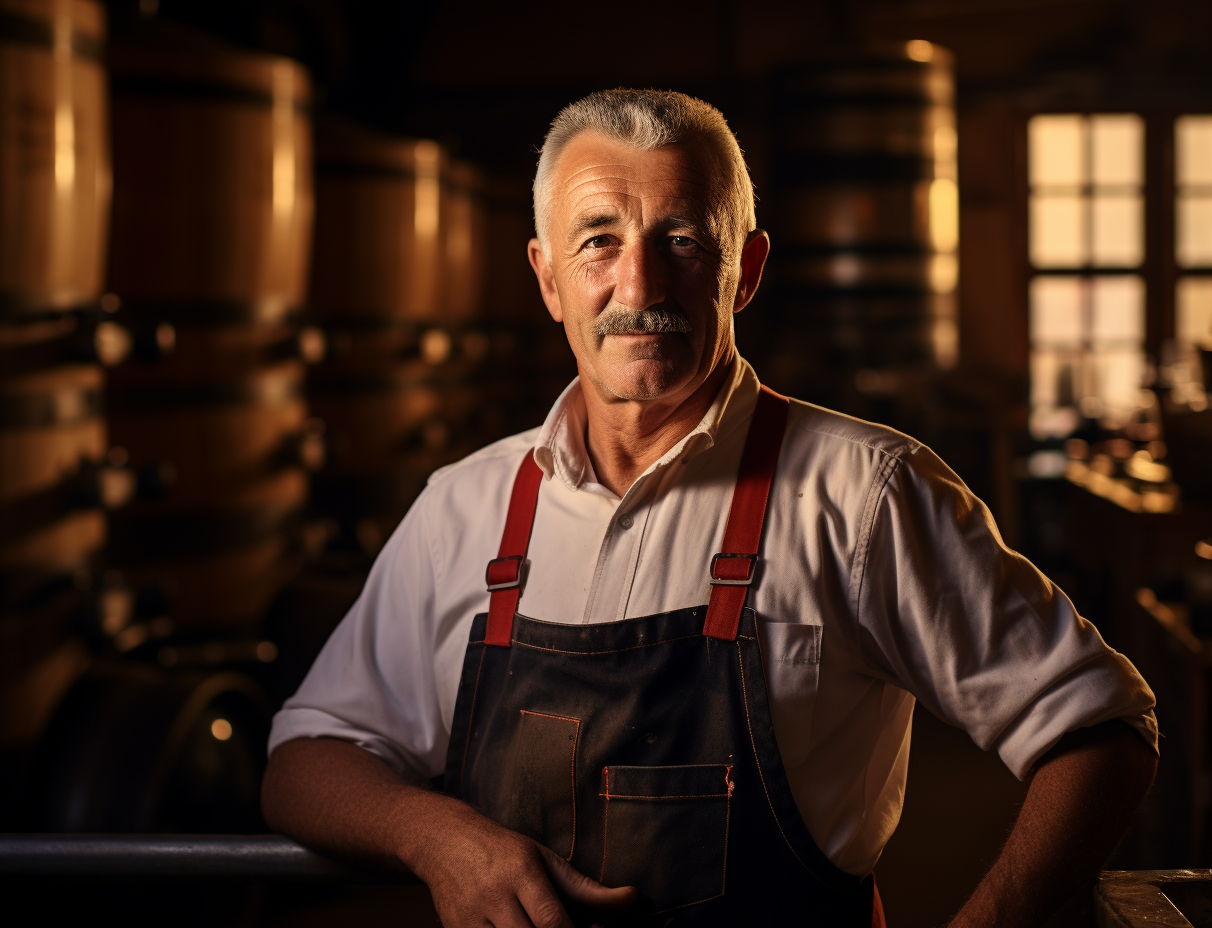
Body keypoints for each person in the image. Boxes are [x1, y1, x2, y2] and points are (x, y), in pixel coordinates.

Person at [262, 89, 1158, 928]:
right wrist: (437, 837)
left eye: (683, 239)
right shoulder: (465, 508)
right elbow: (305, 759)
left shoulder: (866, 494)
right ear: (547, 278)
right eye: (598, 241)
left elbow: (1099, 730)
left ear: (746, 270)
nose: (641, 287)